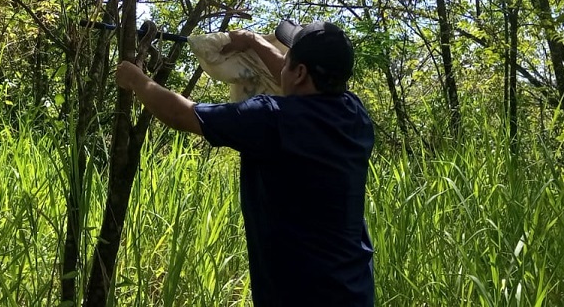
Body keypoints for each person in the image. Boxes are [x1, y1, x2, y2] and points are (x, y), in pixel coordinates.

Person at [116, 20, 375, 306]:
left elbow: (181, 114)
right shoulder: (355, 114)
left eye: (288, 60)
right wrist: (253, 41)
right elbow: (287, 75)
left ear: (300, 73)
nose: (282, 67)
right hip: (353, 289)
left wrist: (136, 79)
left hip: (300, 294)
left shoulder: (273, 119)